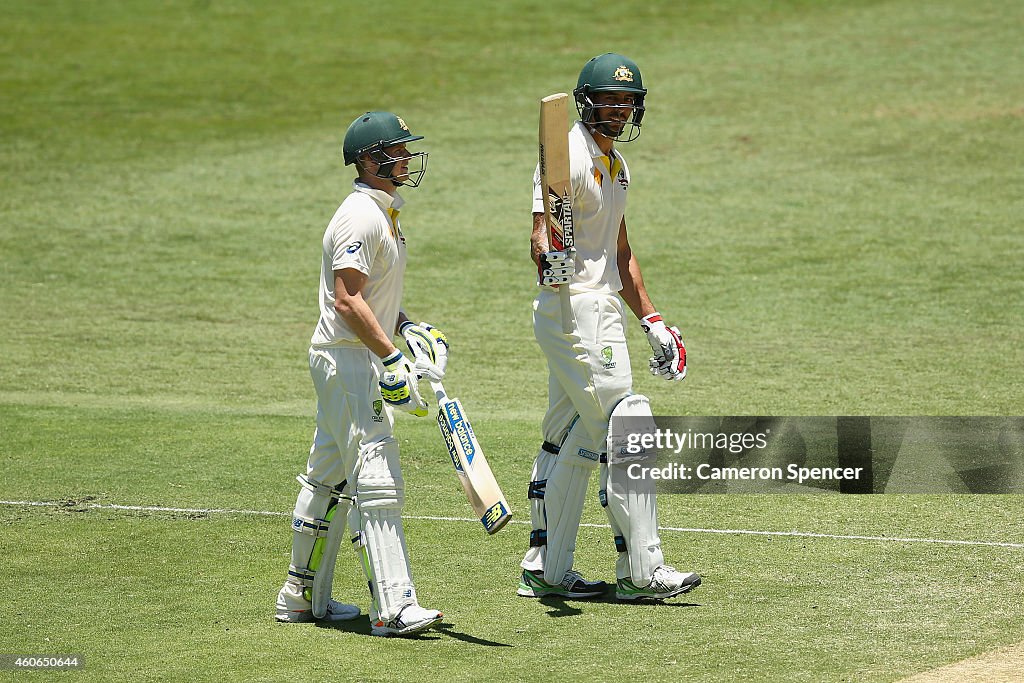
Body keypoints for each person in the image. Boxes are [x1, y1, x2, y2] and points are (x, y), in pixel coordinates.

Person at [519, 53, 702, 601]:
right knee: (629, 424)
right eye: (611, 100)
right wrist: (548, 257)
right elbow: (539, 233)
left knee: (568, 438)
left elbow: (619, 250)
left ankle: (547, 569)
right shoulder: (566, 155)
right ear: (587, 101)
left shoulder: (616, 165)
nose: (620, 110)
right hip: (572, 306)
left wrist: (651, 319)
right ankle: (642, 572)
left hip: (597, 307)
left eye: (629, 101)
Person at [275, 110, 450, 637]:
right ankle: (393, 606)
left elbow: (370, 298)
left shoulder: (384, 213)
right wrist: (391, 358)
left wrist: (408, 326)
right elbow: (346, 300)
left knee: (328, 473)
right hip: (347, 356)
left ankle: (299, 596)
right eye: (398, 152)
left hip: (351, 353)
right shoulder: (359, 216)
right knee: (375, 468)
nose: (407, 159)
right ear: (371, 161)